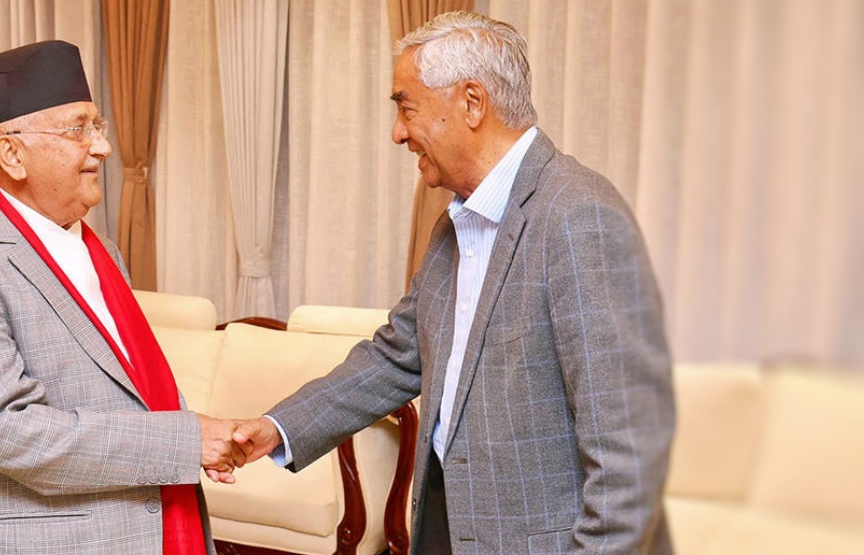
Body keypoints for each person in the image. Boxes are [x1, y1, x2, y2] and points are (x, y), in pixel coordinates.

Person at [233, 12, 675, 555]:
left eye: (406, 107)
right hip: (445, 526)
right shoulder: (453, 225)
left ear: (471, 102)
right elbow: (396, 357)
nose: (398, 132)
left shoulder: (579, 216)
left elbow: (629, 458)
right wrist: (276, 429)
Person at [0, 40, 240, 555]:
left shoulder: (102, 249)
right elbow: (10, 433)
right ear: (12, 155)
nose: (103, 147)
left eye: (97, 125)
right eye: (78, 130)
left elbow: (130, 390)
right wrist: (186, 440)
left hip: (149, 529)